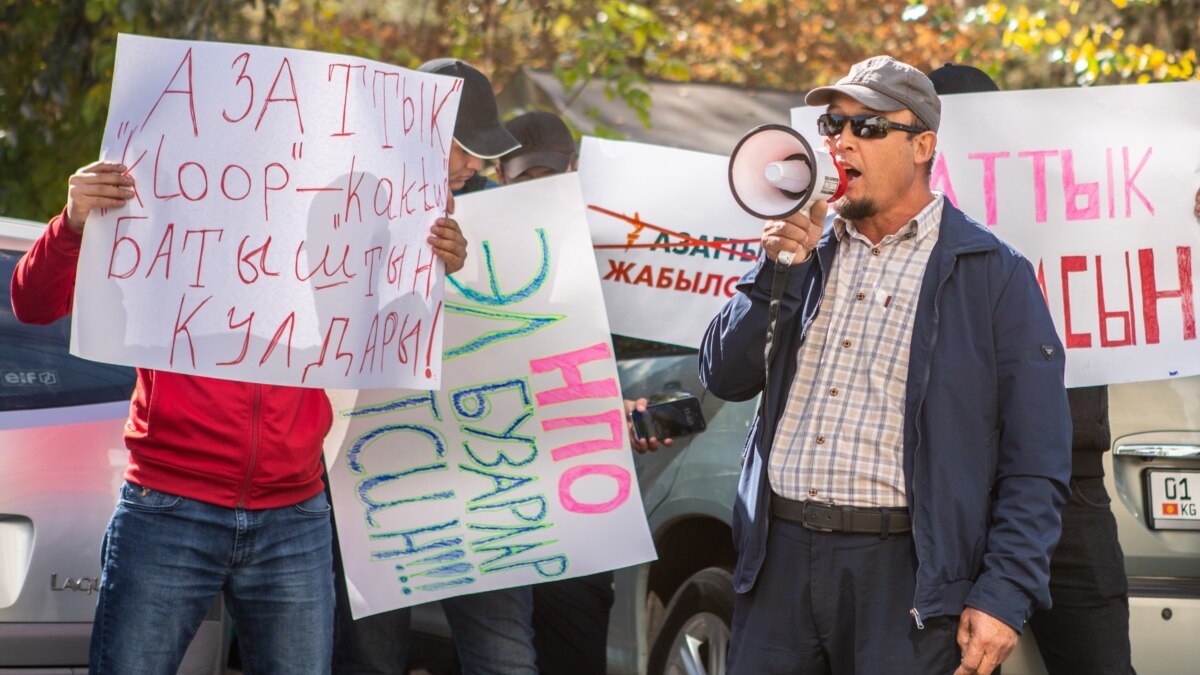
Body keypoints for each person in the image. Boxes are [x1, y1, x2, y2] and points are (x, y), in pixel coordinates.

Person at [10, 161, 467, 671]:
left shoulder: (334, 216)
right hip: (168, 506)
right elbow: (32, 304)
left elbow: (386, 331)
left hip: (294, 514)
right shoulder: (163, 198)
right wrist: (72, 222)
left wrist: (431, 261)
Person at [699, 55, 1072, 675]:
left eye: (868, 127)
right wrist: (775, 273)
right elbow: (723, 375)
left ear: (923, 145)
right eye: (833, 124)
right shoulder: (803, 254)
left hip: (906, 583)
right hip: (781, 565)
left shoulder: (992, 273)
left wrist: (1006, 593)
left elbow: (1037, 460)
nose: (842, 141)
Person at [330, 58, 541, 675]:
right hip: (376, 474)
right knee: (370, 659)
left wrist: (466, 273)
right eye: (466, 148)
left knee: (505, 659)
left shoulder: (506, 217)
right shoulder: (346, 205)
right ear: (419, 129)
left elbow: (534, 322)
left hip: (484, 476)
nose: (476, 164)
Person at [929, 61, 1137, 675]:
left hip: (1068, 487)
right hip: (947, 495)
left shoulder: (1088, 206)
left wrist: (1188, 218)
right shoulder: (896, 226)